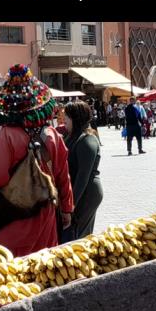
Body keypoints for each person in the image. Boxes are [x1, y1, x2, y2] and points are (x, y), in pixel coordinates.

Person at [0, 65, 74, 258]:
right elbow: (63, 176)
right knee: (44, 260)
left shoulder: (7, 135)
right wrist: (66, 208)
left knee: (13, 263)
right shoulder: (53, 135)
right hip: (46, 209)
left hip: (14, 211)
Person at [61, 101, 103, 242]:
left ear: (76, 118)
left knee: (79, 236)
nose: (63, 119)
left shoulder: (87, 140)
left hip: (86, 193)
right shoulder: (72, 136)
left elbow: (82, 177)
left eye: (66, 116)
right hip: (77, 192)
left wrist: (71, 207)